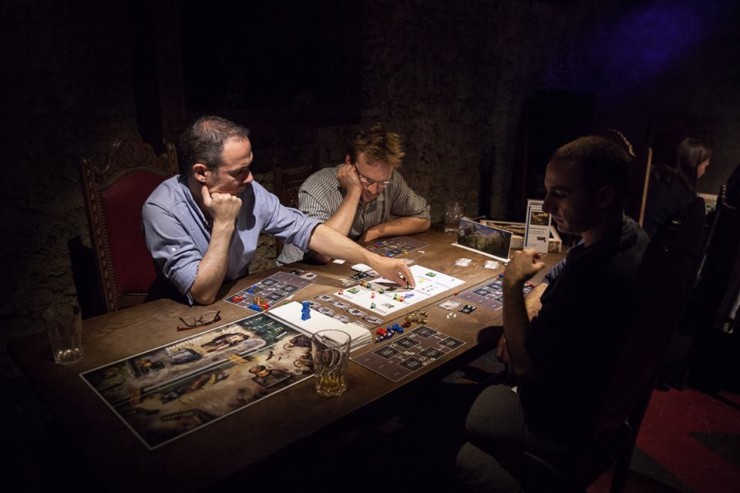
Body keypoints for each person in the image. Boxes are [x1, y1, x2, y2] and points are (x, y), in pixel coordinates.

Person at [455, 136, 650, 492]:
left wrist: (512, 285)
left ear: (603, 197)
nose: (546, 206)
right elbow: (566, 266)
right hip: (601, 401)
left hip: (561, 419)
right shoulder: (630, 236)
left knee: (452, 411)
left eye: (559, 194)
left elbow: (524, 368)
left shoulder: (594, 278)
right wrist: (535, 298)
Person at [142, 115, 415, 306]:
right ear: (201, 172)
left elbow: (308, 231)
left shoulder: (249, 191)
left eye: (250, 166)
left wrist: (373, 261)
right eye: (239, 171)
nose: (250, 178)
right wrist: (224, 223)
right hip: (177, 313)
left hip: (235, 298)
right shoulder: (162, 209)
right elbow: (203, 293)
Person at [276, 123, 430, 265]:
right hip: (300, 269)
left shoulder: (391, 180)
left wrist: (375, 232)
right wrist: (354, 192)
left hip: (347, 265)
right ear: (349, 162)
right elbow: (323, 254)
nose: (374, 190)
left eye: (383, 182)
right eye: (367, 180)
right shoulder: (317, 188)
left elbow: (423, 217)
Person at [642, 137, 711, 238]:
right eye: (704, 166)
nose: (704, 172)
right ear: (694, 165)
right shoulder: (684, 192)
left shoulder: (654, 173)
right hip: (647, 240)